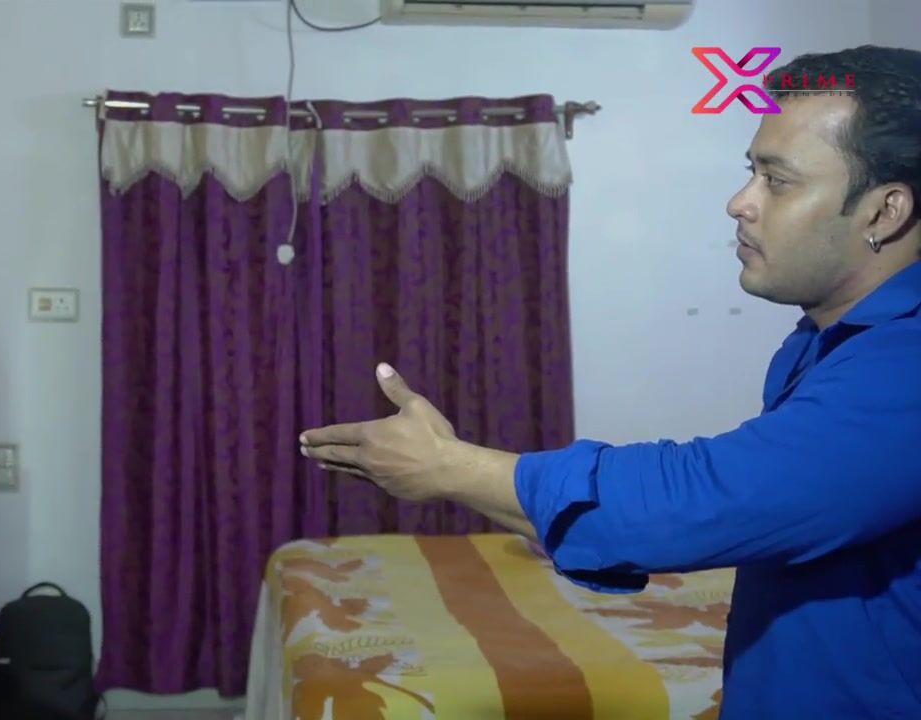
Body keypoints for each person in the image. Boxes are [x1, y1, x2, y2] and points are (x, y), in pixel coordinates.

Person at [299, 44, 921, 718]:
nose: (739, 202)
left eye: (778, 180)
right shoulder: (826, 342)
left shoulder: (904, 365)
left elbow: (705, 497)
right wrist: (448, 469)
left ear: (884, 212)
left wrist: (447, 466)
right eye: (751, 172)